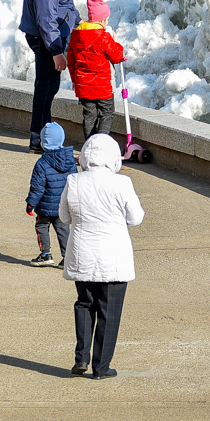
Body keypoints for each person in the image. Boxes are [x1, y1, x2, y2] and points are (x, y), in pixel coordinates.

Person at [59, 134, 144, 379]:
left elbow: (64, 217)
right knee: (110, 312)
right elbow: (135, 218)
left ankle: (82, 358)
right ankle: (101, 367)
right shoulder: (122, 183)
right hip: (113, 257)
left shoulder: (73, 180)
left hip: (82, 253)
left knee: (84, 305)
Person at [19, 0, 81, 153]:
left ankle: (43, 138)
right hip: (47, 39)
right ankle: (39, 141)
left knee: (49, 87)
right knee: (46, 88)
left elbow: (63, 6)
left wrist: (80, 25)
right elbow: (46, 17)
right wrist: (56, 51)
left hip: (50, 37)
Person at [66, 0, 125, 139]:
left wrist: (75, 80)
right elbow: (117, 57)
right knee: (106, 113)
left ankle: (90, 145)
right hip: (102, 87)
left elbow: (71, 60)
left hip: (83, 86)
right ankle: (101, 144)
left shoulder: (76, 34)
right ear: (102, 20)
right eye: (107, 19)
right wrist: (116, 41)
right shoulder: (103, 37)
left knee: (89, 116)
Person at [25, 122, 77, 267]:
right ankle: (67, 257)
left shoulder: (42, 163)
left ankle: (45, 254)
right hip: (63, 204)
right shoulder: (70, 161)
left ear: (43, 143)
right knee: (63, 229)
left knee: (42, 226)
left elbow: (37, 188)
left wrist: (31, 204)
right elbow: (74, 183)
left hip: (45, 206)